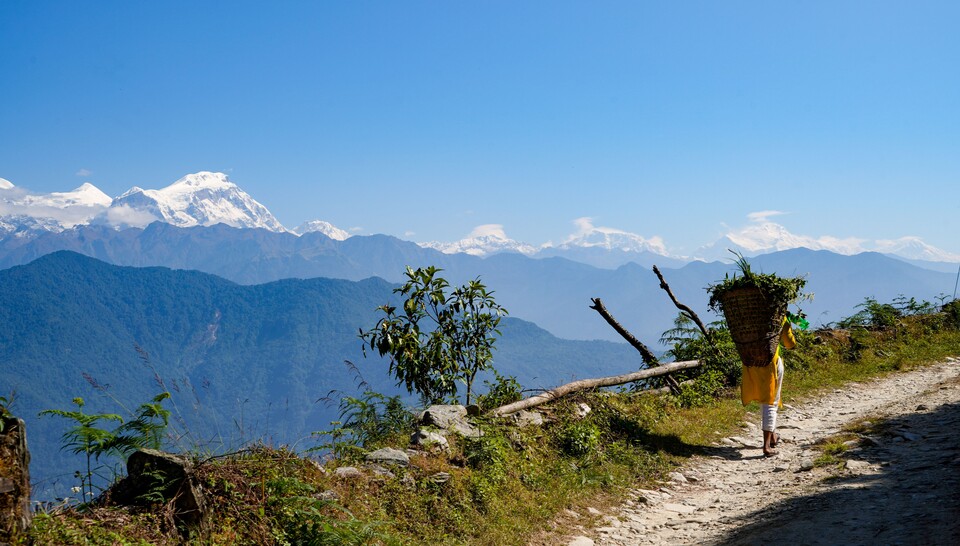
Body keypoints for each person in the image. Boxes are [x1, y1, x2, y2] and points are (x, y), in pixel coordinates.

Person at [740, 317, 796, 457]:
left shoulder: (746, 316)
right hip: (771, 363)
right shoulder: (778, 316)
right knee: (771, 401)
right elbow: (790, 343)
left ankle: (772, 436)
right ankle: (766, 446)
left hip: (750, 363)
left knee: (764, 399)